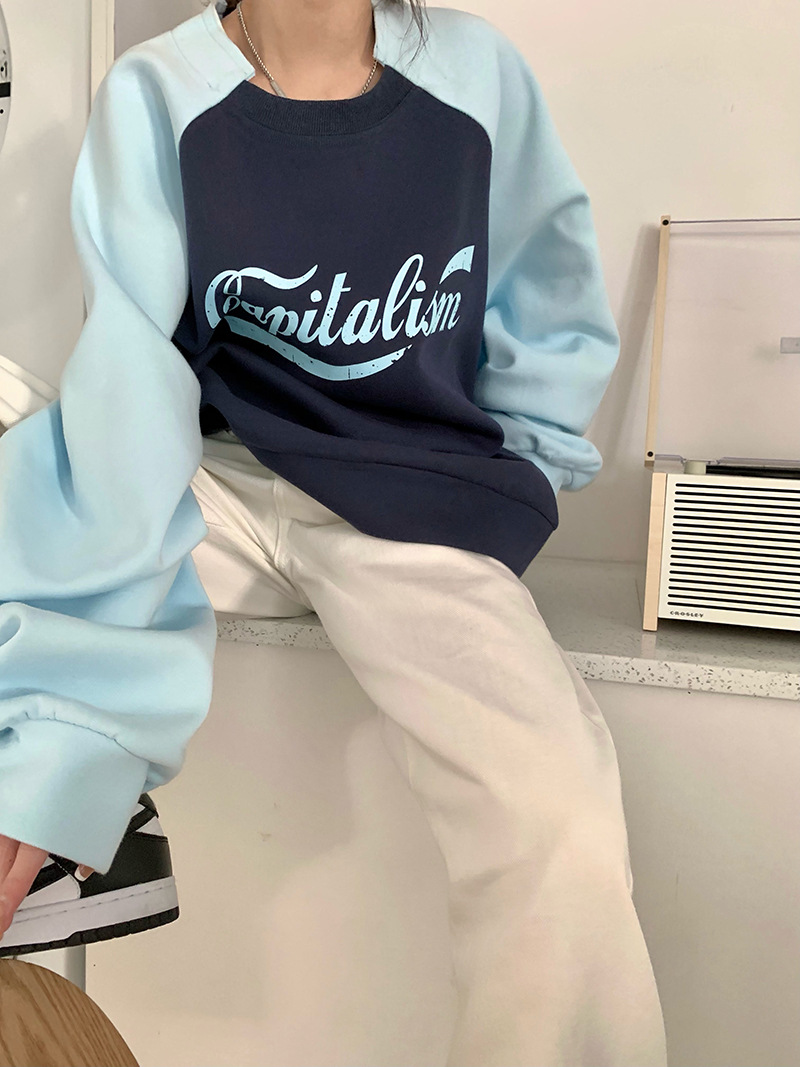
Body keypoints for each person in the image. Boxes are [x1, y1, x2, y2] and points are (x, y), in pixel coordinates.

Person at [0, 0, 668, 1062]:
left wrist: (513, 481)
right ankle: (79, 812)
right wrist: (64, 737)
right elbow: (131, 386)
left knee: (557, 818)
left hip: (411, 502)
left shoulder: (474, 76)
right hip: (219, 477)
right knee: (25, 441)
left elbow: (549, 305)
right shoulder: (159, 92)